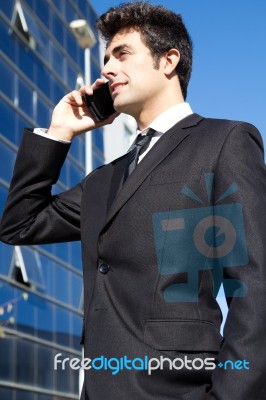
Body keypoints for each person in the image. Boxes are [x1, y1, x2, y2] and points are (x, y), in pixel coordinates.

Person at [1, 2, 266, 399]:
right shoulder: (103, 180)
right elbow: (19, 224)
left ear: (169, 60)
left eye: (122, 53)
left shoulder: (224, 142)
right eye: (105, 57)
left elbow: (254, 288)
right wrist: (58, 132)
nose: (106, 68)